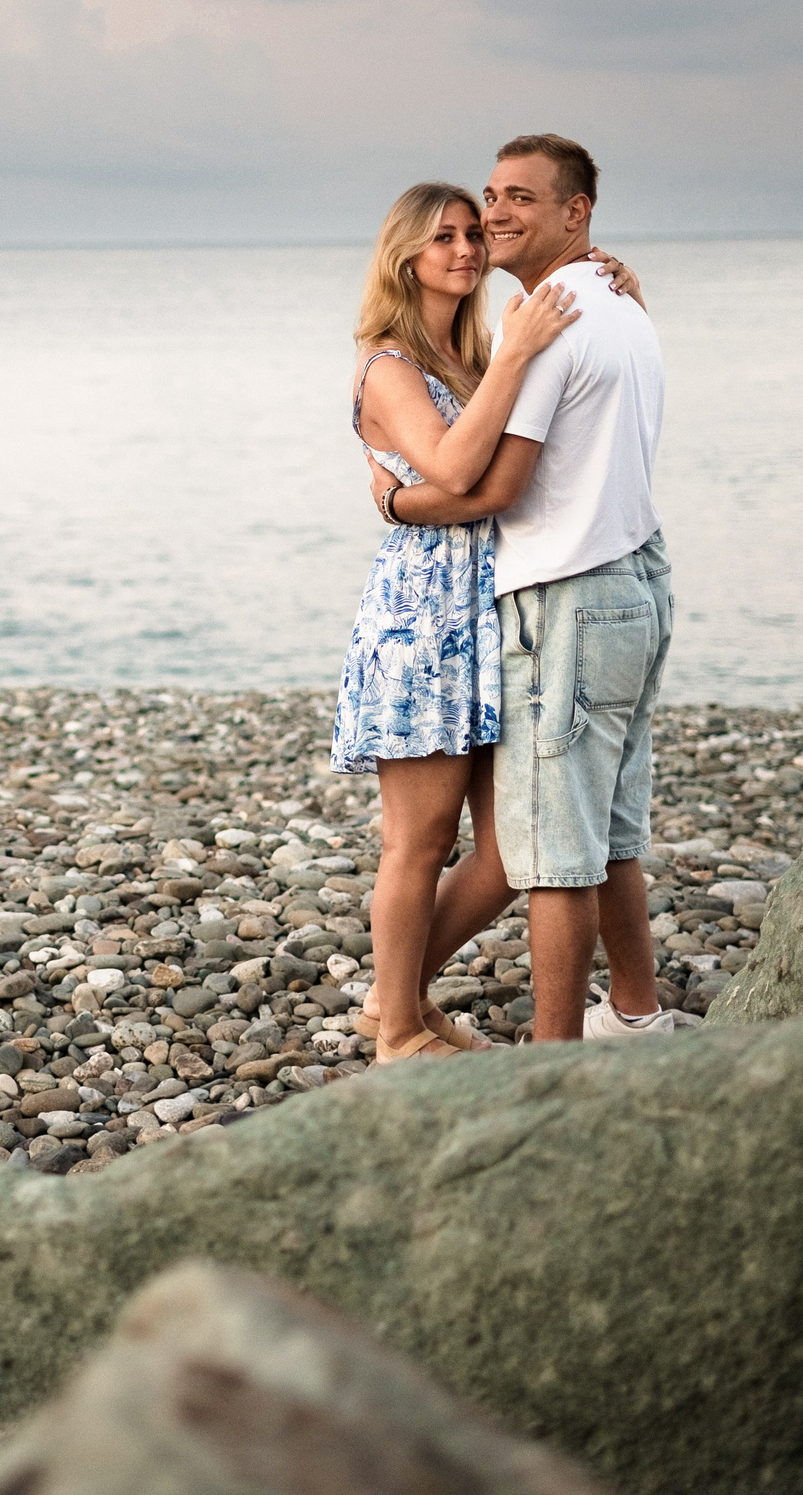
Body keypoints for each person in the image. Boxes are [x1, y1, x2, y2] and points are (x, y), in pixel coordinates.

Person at [376, 133, 684, 1042]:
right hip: (637, 580)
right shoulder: (621, 305)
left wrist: (396, 498)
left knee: (554, 854)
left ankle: (555, 1065)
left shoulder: (545, 325)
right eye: (487, 199)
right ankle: (635, 1016)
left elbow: (494, 486)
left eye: (518, 200)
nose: (495, 219)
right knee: (608, 833)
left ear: (575, 213)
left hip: (568, 597)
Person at [330, 180, 636, 1063]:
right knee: (418, 842)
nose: (466, 250)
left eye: (473, 233)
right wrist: (514, 356)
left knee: (510, 848)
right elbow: (460, 469)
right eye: (444, 239)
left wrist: (616, 292)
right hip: (425, 620)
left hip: (493, 609)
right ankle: (396, 1030)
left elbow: (500, 464)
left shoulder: (467, 357)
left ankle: (398, 995)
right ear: (405, 257)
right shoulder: (389, 365)